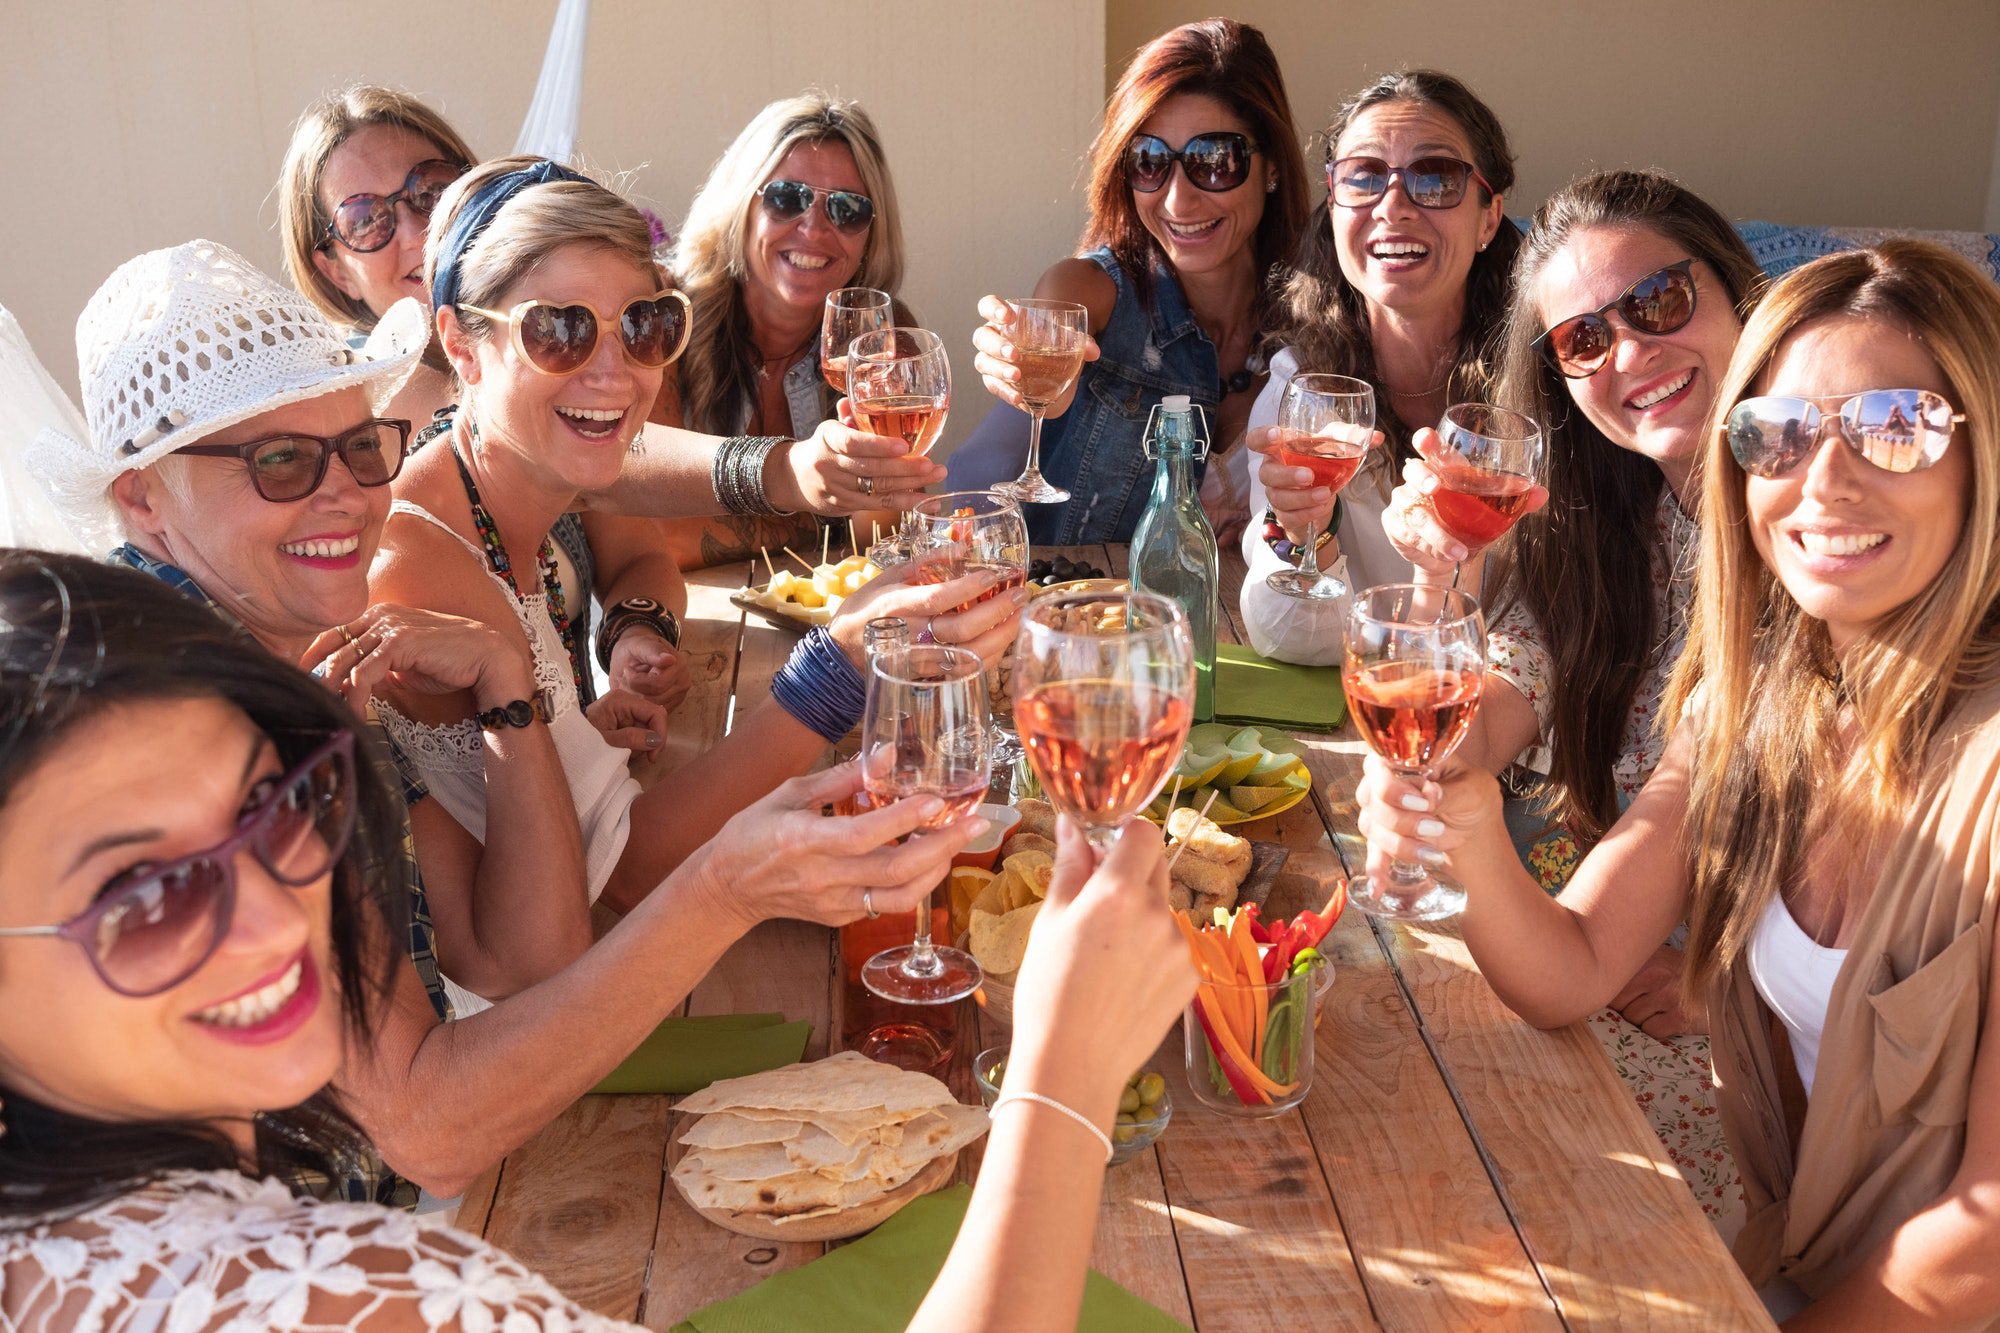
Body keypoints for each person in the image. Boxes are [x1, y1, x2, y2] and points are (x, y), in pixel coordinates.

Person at [0, 552, 1196, 1331]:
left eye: (280, 804)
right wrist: (1064, 1080)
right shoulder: (333, 1296)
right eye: (146, 896)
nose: (271, 911)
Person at [25, 238, 982, 1198]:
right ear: (142, 498)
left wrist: (506, 687)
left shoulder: (304, 652)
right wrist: (726, 888)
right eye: (278, 461)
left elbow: (524, 959)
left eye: (361, 447)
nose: (350, 496)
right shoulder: (176, 718)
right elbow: (426, 1129)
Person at [1356, 240, 2000, 1324]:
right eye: (1778, 433)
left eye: (1896, 426)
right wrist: (1466, 825)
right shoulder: (1759, 696)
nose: (1823, 480)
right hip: (1792, 1268)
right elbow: (1569, 968)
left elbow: (1981, 1242)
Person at [378, 156, 1024, 928]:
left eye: (646, 326)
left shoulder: (495, 492)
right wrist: (839, 665)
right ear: (463, 345)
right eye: (560, 330)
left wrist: (572, 741)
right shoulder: (425, 556)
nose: (616, 375)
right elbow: (629, 866)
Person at [1386, 170, 1769, 1226]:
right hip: (1601, 912)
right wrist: (1443, 578)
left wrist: (1723, 978)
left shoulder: (1813, 540)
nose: (1630, 355)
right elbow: (1512, 687)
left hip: (1714, 1010)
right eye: (1581, 340)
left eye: (1656, 303)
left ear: (1739, 290)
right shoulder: (1625, 512)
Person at [278, 84, 691, 717]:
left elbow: (636, 548)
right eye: (366, 219)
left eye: (429, 192)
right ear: (333, 267)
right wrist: (823, 683)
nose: (416, 230)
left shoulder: (550, 405)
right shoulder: (369, 453)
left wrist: (634, 630)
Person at [951, 17, 1309, 545]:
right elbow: (1054, 322)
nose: (1177, 200)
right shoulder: (1092, 291)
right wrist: (1024, 365)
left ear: (1271, 166)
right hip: (1088, 620)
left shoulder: (1317, 323)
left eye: (1214, 161)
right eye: (1150, 161)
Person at [1236, 69, 1518, 664]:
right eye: (1363, 178)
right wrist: (1303, 536)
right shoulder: (1300, 389)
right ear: (1334, 207)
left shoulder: (1544, 387)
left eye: (1436, 179)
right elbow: (1285, 640)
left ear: (1489, 218)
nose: (1393, 207)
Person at [665, 91, 912, 563]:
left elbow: (881, 539)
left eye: (847, 209)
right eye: (787, 198)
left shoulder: (882, 339)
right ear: (743, 205)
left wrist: (875, 476)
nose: (814, 229)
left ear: (871, 234)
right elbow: (653, 538)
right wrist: (810, 511)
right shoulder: (664, 323)